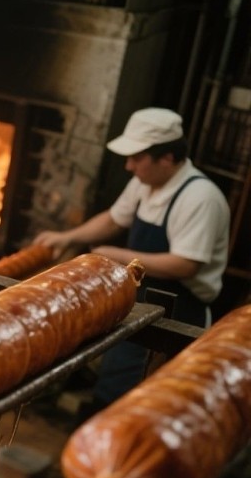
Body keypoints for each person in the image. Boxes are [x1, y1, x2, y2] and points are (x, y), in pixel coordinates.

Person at [34, 106, 230, 412]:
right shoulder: (145, 181)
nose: (128, 166)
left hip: (179, 312)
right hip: (136, 301)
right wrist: (68, 237)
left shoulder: (200, 198)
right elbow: (114, 219)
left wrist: (115, 256)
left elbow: (185, 264)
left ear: (167, 158)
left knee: (151, 404)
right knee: (114, 386)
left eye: (136, 158)